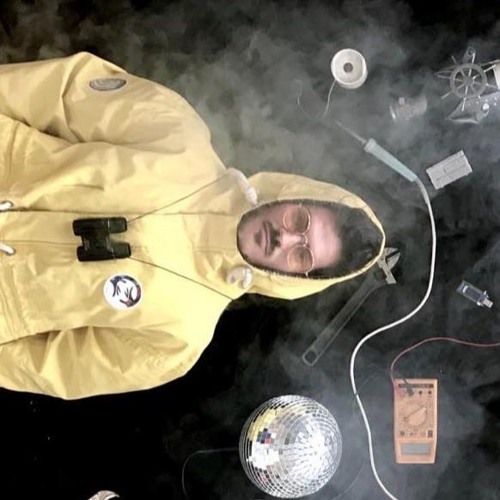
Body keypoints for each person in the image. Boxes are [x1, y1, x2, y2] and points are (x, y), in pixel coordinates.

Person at [0, 52, 385, 399]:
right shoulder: (178, 133)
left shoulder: (179, 340)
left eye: (301, 255)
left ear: (295, 279)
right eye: (300, 220)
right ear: (293, 195)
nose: (284, 238)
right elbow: (58, 92)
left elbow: (53, 370)